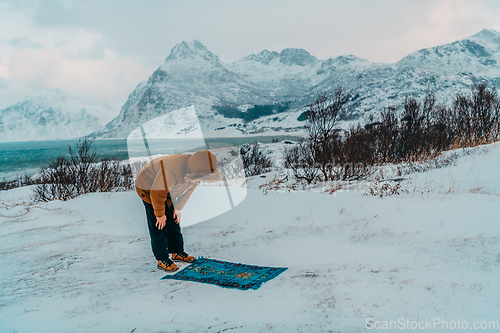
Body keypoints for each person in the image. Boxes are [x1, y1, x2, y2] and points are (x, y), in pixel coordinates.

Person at [135, 150, 221, 272]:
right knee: (159, 225)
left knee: (173, 220)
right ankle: (162, 259)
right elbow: (157, 192)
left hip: (167, 191)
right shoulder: (173, 170)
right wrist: (159, 215)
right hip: (148, 188)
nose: (201, 179)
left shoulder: (197, 172)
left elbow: (188, 191)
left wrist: (178, 208)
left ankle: (177, 253)